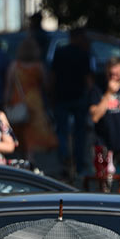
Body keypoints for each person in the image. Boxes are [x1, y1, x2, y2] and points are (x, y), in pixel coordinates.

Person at [85, 57, 120, 191]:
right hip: (104, 145)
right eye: (111, 74)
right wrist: (109, 94)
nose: (113, 78)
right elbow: (95, 116)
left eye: (116, 74)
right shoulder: (97, 91)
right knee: (105, 186)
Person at [49, 28, 95, 181]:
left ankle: (65, 161)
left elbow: (53, 76)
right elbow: (89, 80)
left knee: (62, 131)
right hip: (78, 97)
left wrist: (52, 96)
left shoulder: (60, 52)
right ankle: (79, 165)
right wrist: (90, 97)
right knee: (79, 133)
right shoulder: (84, 54)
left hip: (62, 97)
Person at [5, 36, 54, 158]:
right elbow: (47, 86)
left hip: (18, 101)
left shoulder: (14, 66)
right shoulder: (39, 67)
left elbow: (8, 86)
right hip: (35, 102)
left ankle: (25, 158)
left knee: (20, 131)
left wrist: (6, 103)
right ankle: (30, 159)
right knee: (32, 133)